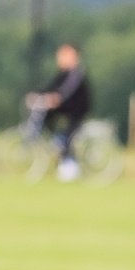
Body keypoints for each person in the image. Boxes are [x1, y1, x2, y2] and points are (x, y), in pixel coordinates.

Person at [26, 43, 93, 182]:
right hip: (61, 110)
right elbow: (50, 87)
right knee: (48, 125)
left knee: (69, 137)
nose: (60, 58)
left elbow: (65, 92)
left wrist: (54, 99)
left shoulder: (75, 75)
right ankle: (60, 154)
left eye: (64, 54)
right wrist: (37, 95)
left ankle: (70, 164)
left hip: (75, 111)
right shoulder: (62, 74)